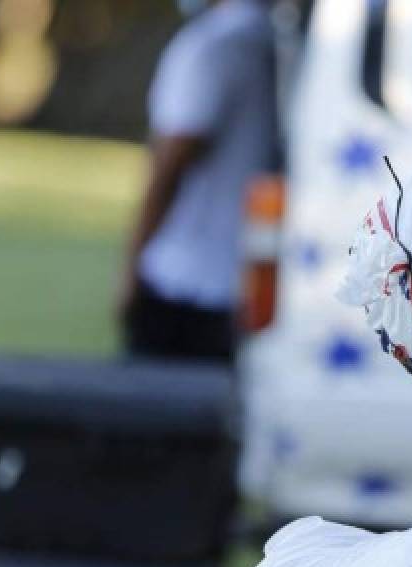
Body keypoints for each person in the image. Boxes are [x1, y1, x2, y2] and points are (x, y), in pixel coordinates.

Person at [119, 0, 279, 362]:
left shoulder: (215, 44)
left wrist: (131, 263)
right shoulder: (269, 40)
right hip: (238, 283)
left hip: (185, 284)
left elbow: (174, 156)